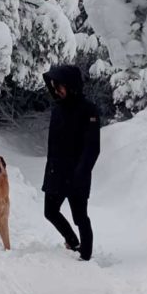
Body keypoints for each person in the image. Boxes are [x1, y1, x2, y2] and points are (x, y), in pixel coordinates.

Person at [41, 64, 100, 261]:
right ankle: (73, 242)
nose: (56, 90)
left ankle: (86, 255)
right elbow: (53, 145)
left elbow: (93, 147)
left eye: (59, 86)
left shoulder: (88, 110)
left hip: (77, 174)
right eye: (54, 87)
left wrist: (81, 173)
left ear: (70, 85)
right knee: (50, 212)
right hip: (56, 172)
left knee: (80, 217)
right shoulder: (57, 109)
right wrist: (50, 170)